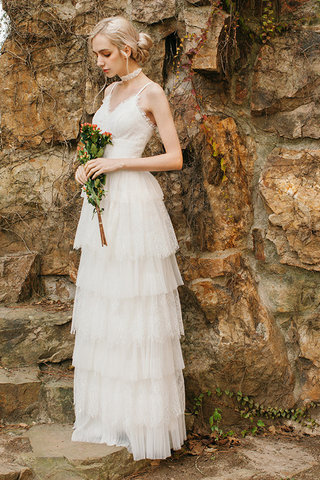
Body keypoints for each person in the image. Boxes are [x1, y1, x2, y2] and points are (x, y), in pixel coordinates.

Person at [71, 15, 187, 464]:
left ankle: (142, 422)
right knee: (107, 304)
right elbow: (97, 146)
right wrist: (87, 165)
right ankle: (109, 415)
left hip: (135, 206)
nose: (99, 62)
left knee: (136, 305)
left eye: (105, 53)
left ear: (128, 51)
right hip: (102, 207)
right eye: (96, 54)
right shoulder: (107, 92)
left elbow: (174, 158)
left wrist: (120, 165)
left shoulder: (150, 92)